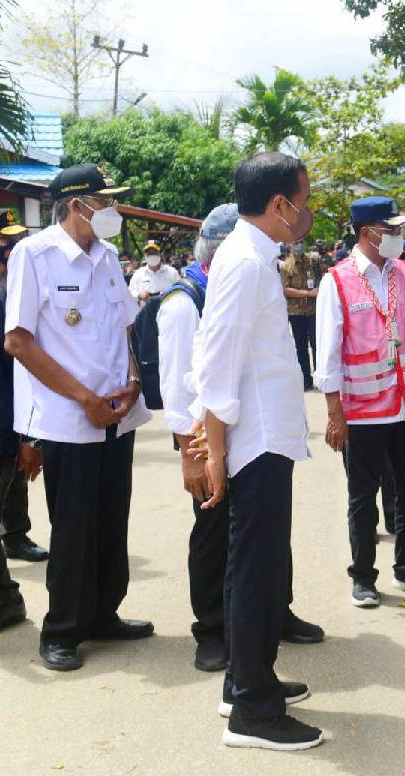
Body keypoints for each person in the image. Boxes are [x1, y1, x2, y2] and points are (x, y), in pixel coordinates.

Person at [189, 152, 322, 751]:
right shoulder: (243, 261)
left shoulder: (254, 256)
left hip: (266, 435)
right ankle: (252, 711)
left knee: (258, 567)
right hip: (255, 440)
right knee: (255, 570)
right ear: (278, 205)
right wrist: (211, 449)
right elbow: (217, 359)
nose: (309, 212)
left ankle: (247, 679)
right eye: (305, 199)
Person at [159, 204, 323, 672]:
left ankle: (274, 613)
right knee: (215, 539)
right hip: (206, 439)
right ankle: (212, 630)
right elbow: (179, 386)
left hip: (246, 436)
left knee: (263, 541)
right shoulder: (185, 300)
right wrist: (191, 457)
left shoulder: (243, 279)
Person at [4, 163, 154, 672]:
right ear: (75, 204)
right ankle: (62, 629)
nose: (112, 210)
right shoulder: (35, 255)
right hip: (69, 419)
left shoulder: (108, 257)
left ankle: (103, 613)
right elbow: (18, 342)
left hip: (117, 413)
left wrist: (133, 382)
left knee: (113, 518)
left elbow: (124, 331)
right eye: (103, 202)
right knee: (72, 528)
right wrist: (84, 398)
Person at [316, 196, 405, 608]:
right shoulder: (336, 280)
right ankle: (363, 577)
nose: (398, 236)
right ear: (367, 232)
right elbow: (329, 352)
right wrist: (334, 413)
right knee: (362, 495)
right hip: (363, 409)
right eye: (390, 230)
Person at [0, 212, 30, 636]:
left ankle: (3, 599)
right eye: (4, 239)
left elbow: (17, 371)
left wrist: (26, 434)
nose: (11, 247)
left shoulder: (2, 297)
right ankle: (2, 596)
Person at [280, 241, 320, 391]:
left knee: (316, 344)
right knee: (301, 347)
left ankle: (319, 376)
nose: (299, 246)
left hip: (314, 310)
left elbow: (325, 275)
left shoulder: (313, 261)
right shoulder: (286, 266)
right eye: (296, 243)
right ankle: (305, 379)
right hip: (296, 312)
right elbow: (285, 289)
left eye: (301, 243)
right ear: (290, 246)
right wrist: (307, 293)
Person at [129, 240, 180, 305]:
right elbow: (129, 294)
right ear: (145, 255)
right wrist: (139, 295)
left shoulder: (172, 272)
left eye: (154, 253)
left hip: (168, 312)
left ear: (161, 254)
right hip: (146, 312)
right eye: (149, 253)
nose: (151, 256)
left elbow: (181, 292)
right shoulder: (138, 274)